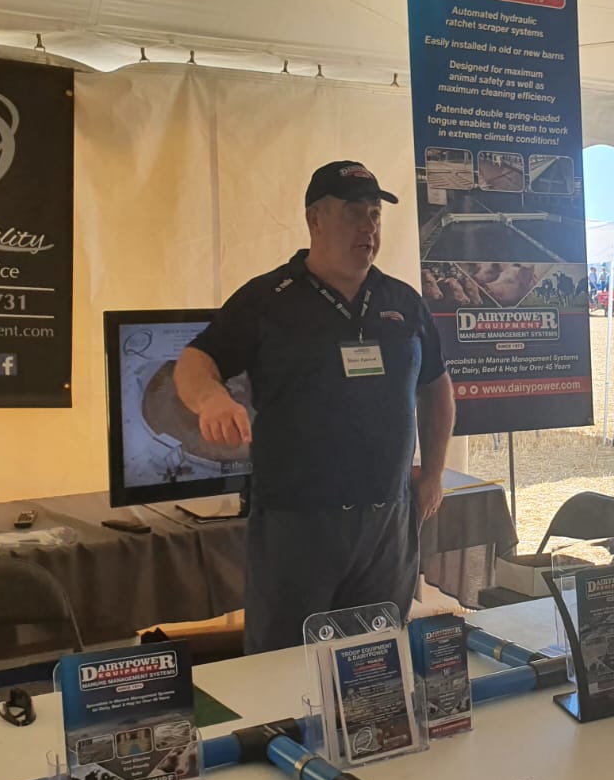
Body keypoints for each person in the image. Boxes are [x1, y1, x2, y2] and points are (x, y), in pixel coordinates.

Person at [175, 160, 456, 654]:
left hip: (386, 521)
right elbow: (195, 361)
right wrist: (212, 398)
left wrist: (433, 473)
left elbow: (436, 386)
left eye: (375, 215)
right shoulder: (268, 299)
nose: (369, 227)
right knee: (285, 669)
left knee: (377, 666)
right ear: (315, 220)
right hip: (297, 524)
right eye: (354, 214)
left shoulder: (403, 301)